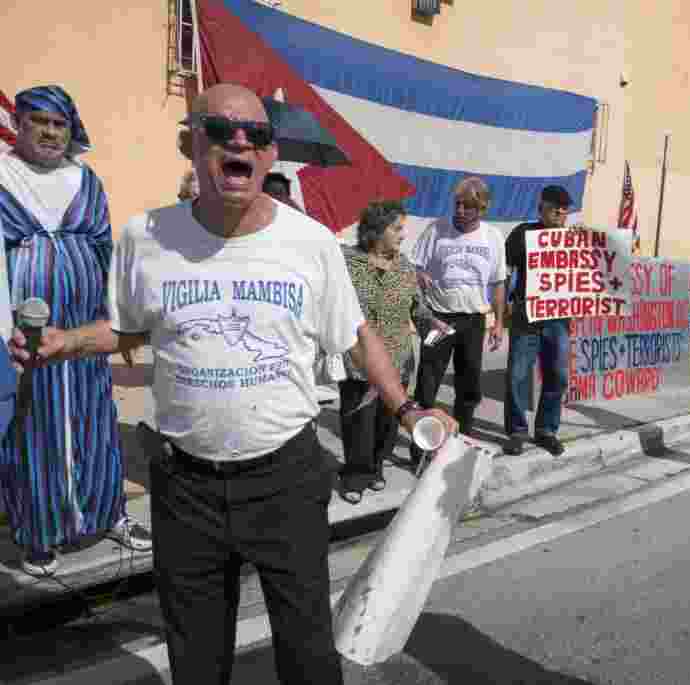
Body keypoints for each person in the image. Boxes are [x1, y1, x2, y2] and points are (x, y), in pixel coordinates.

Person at [10, 83, 456, 685]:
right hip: (185, 485)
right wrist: (66, 342)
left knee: (307, 652)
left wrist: (407, 410)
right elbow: (125, 329)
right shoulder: (146, 237)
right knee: (195, 657)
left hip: (285, 480)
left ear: (271, 155)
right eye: (219, 130)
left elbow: (355, 335)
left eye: (257, 135)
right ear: (191, 144)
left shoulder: (311, 243)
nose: (239, 141)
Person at [0, 85, 151, 577]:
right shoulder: (2, 176)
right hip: (25, 333)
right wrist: (6, 330)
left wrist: (114, 323)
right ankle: (39, 533)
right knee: (32, 427)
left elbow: (106, 253)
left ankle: (108, 513)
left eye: (59, 124)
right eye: (38, 121)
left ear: (71, 131)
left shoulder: (87, 181)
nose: (48, 131)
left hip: (84, 329)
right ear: (19, 124)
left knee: (93, 418)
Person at [338, 200, 448, 503]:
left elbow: (418, 308)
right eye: (396, 228)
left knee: (386, 422)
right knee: (357, 421)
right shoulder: (346, 262)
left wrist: (431, 323)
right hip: (357, 361)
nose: (403, 234)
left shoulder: (404, 267)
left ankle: (375, 468)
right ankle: (354, 476)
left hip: (397, 359)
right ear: (375, 230)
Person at [409, 176, 507, 463]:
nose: (461, 210)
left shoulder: (493, 238)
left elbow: (499, 283)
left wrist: (499, 323)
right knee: (428, 382)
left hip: (473, 321)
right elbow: (413, 266)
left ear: (483, 208)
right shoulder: (437, 230)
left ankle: (460, 444)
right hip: (438, 318)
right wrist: (420, 276)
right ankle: (421, 447)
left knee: (469, 386)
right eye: (458, 204)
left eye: (468, 207)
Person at [502, 185, 573, 456]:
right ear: (540, 207)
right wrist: (504, 304)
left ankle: (546, 430)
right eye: (554, 206)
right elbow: (506, 270)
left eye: (564, 207)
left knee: (558, 374)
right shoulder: (523, 233)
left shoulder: (573, 240)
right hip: (526, 316)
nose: (560, 211)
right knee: (517, 375)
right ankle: (517, 431)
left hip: (558, 319)